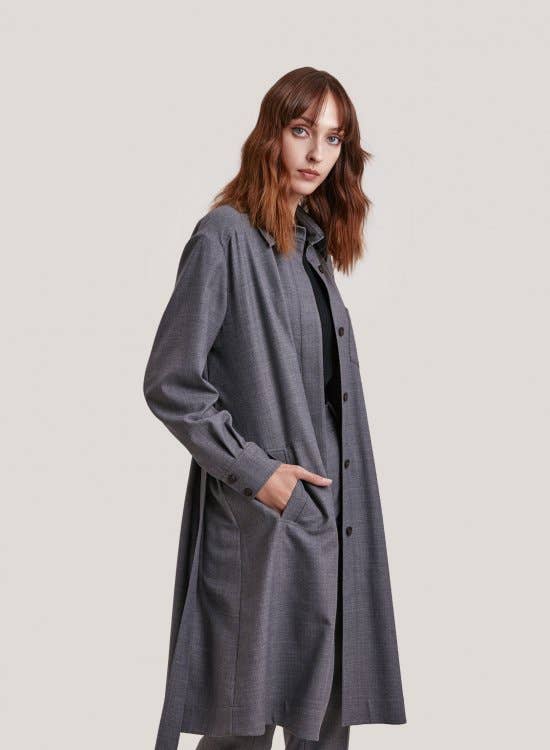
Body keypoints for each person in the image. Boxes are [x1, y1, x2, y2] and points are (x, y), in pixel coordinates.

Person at [143, 66, 406, 750]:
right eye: (301, 131)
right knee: (243, 724)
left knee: (326, 725)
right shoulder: (224, 237)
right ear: (271, 134)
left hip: (335, 521)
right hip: (262, 522)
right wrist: (259, 475)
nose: (317, 153)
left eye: (334, 139)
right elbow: (171, 381)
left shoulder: (313, 251)